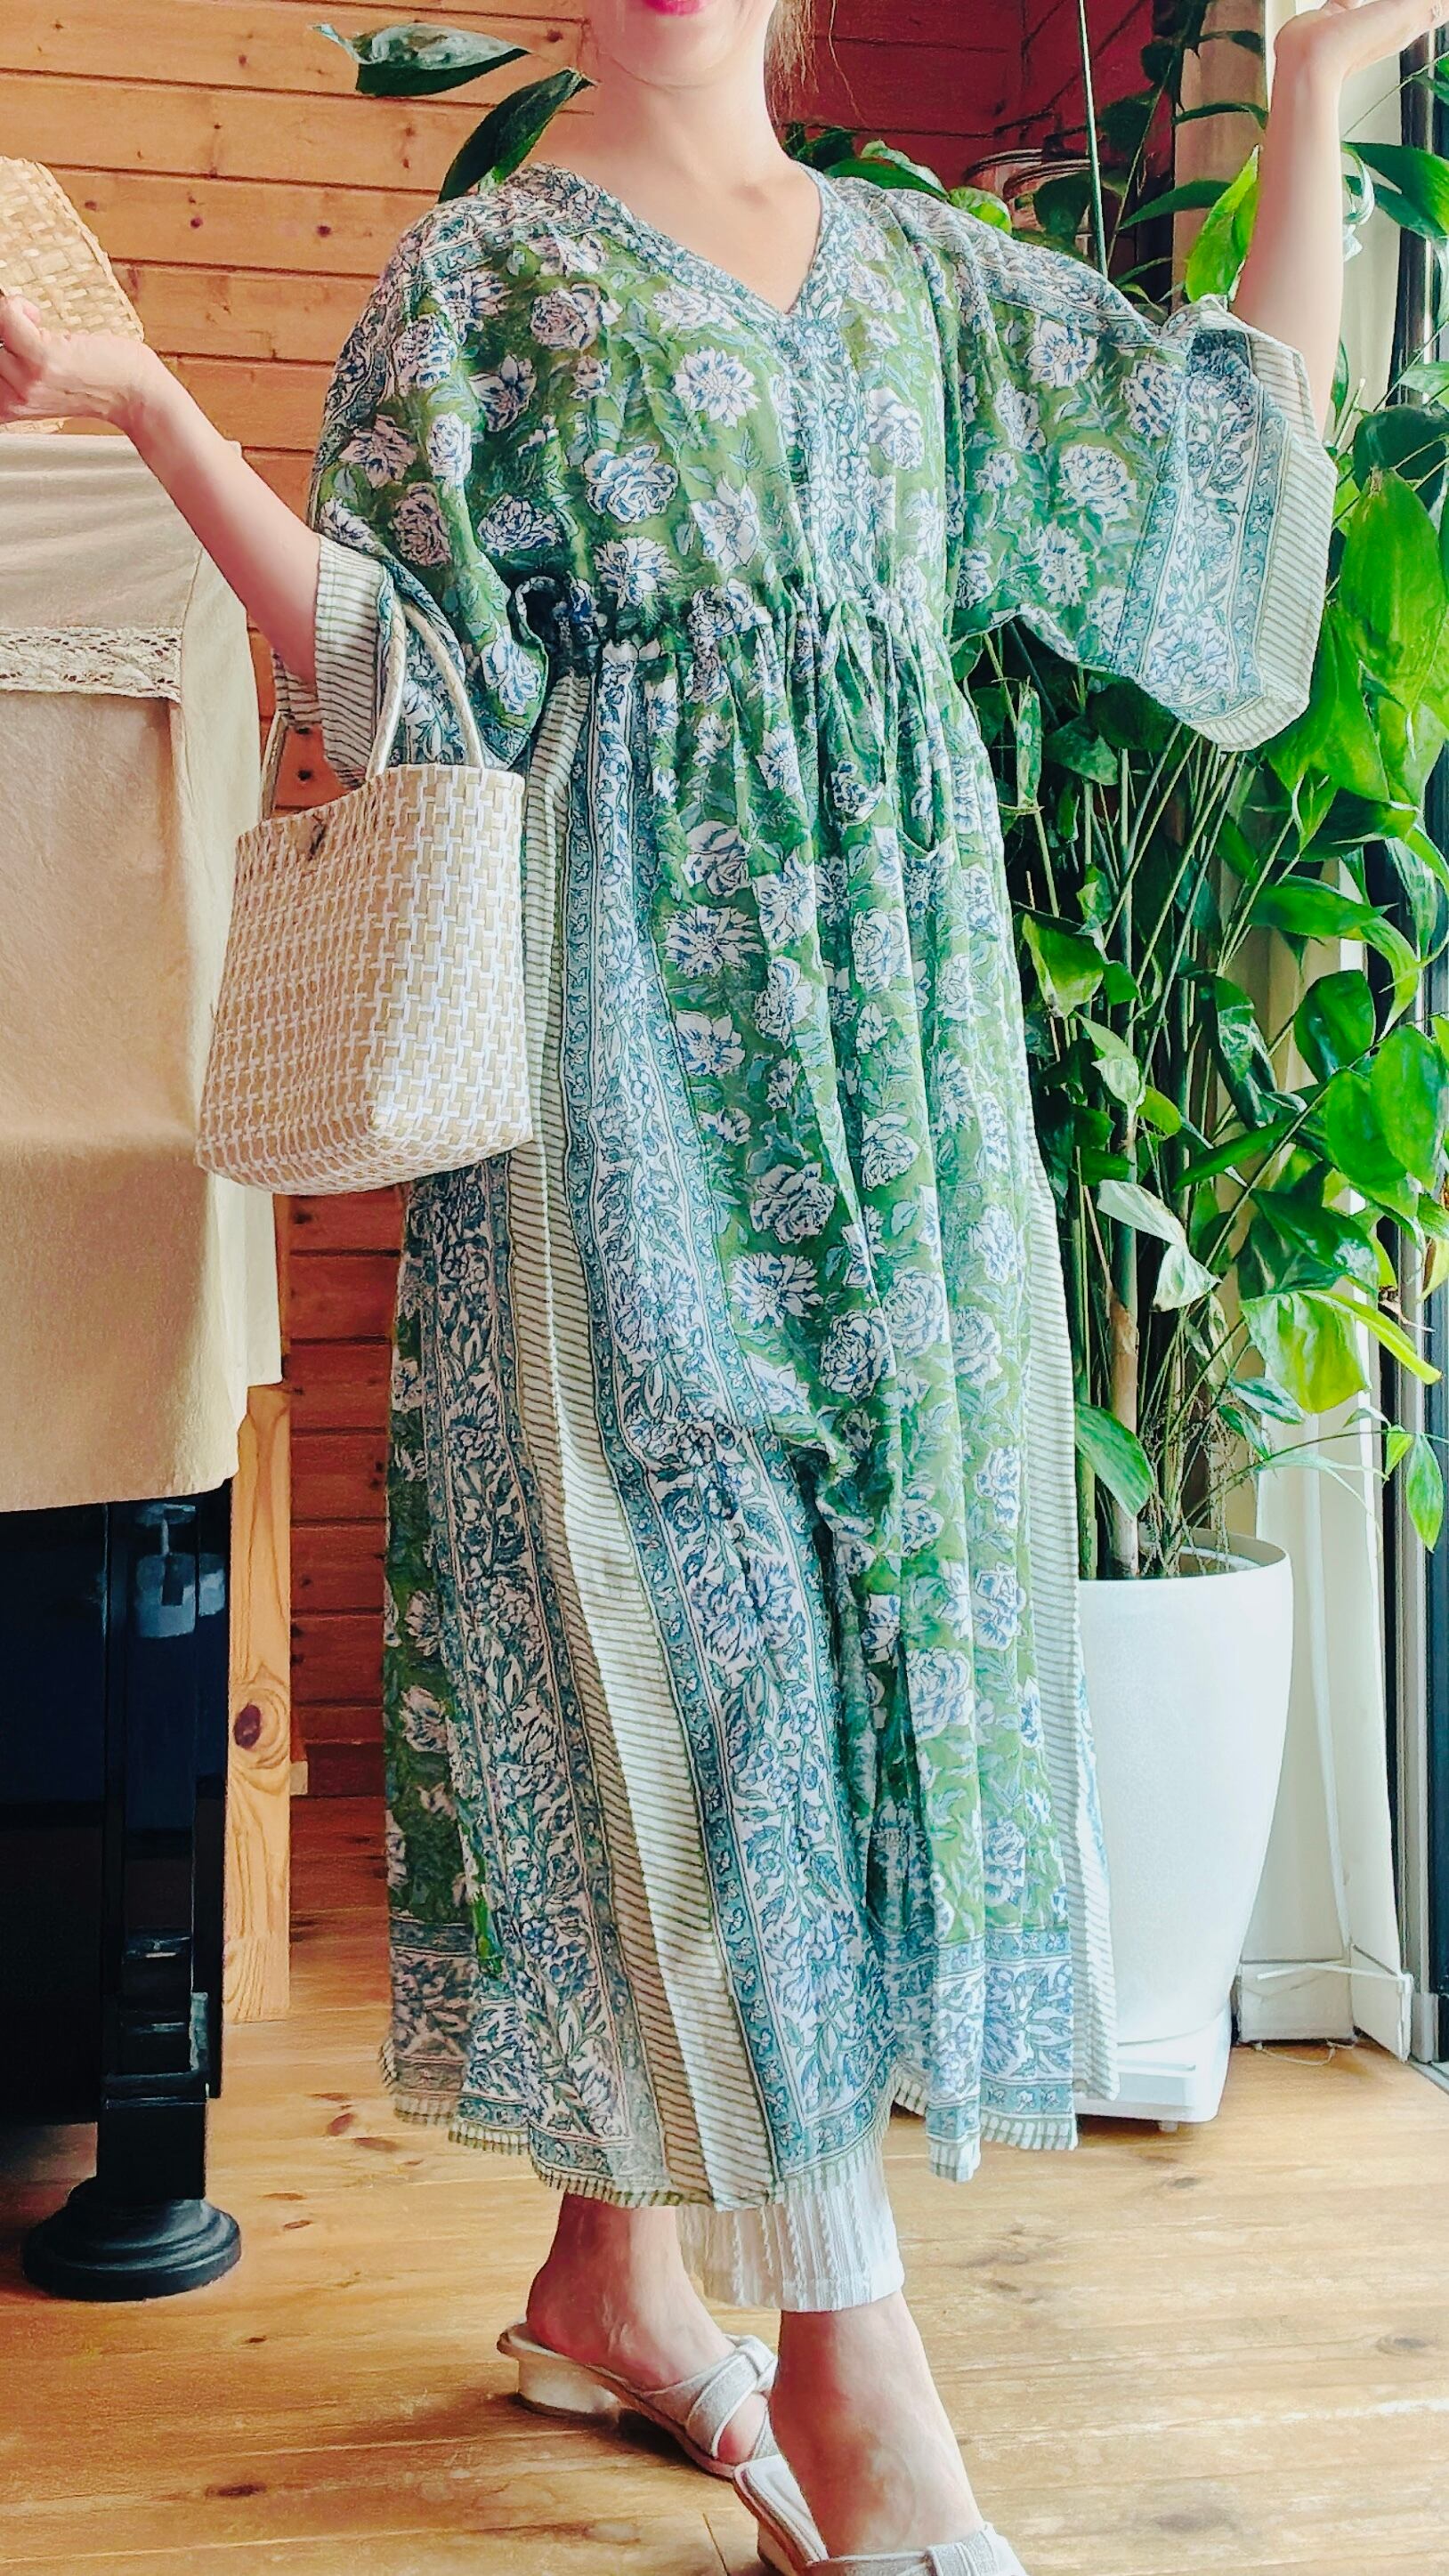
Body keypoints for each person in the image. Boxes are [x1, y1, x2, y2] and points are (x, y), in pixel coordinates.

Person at [2, 0, 1436, 2564]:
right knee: (716, 1648)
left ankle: (614, 2278)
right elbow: (405, 679)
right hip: (615, 1062)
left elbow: (1216, 530)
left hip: (899, 1079)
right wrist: (146, 414)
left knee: (854, 1642)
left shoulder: (920, 281)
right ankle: (855, 2369)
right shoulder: (481, 287)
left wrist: (1314, 90)